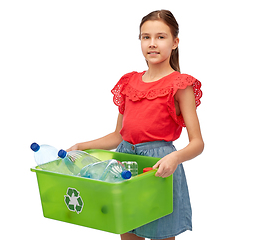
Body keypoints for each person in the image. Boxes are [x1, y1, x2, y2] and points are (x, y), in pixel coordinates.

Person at [67, 9, 204, 240]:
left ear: (175, 42)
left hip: (158, 168)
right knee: (127, 230)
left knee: (161, 232)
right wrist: (83, 145)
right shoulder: (129, 82)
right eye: (145, 37)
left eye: (161, 37)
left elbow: (197, 143)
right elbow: (119, 135)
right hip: (123, 165)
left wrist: (175, 157)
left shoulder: (180, 84)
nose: (152, 43)